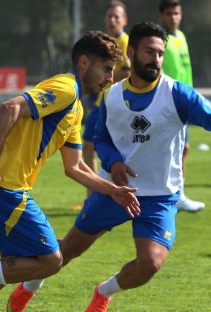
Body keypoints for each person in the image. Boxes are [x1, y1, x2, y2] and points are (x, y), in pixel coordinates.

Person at [6, 21, 211, 312]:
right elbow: (100, 136)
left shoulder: (177, 94)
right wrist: (114, 163)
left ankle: (104, 292)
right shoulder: (110, 95)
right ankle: (31, 285)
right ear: (131, 52)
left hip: (159, 196)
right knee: (66, 250)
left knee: (150, 264)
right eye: (150, 51)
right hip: (112, 189)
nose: (156, 59)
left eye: (161, 53)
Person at [0, 31, 141, 312]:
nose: (110, 78)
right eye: (106, 69)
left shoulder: (77, 109)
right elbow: (9, 108)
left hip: (7, 188)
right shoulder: (65, 89)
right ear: (84, 63)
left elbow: (75, 168)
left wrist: (112, 190)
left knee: (14, 267)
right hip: (3, 188)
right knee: (51, 260)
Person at [72, 0, 131, 211]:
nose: (113, 20)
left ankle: (98, 197)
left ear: (124, 20)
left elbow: (129, 72)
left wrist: (104, 75)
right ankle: (93, 197)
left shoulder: (124, 42)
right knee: (89, 147)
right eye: (110, 16)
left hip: (110, 101)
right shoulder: (108, 42)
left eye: (117, 16)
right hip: (101, 101)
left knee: (92, 147)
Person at [158, 0, 205, 212]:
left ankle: (178, 195)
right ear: (162, 16)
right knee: (172, 149)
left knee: (182, 148)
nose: (173, 17)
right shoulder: (161, 39)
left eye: (176, 13)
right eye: (169, 14)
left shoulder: (181, 37)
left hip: (184, 100)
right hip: (169, 100)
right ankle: (174, 195)